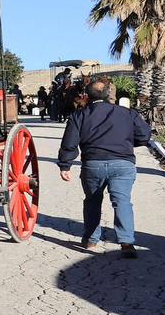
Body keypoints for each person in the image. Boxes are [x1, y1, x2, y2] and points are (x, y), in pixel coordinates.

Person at [58, 77, 152, 257]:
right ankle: (126, 242)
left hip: (93, 165)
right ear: (109, 94)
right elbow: (144, 135)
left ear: (87, 96)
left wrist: (65, 165)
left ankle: (91, 239)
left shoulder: (79, 115)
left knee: (92, 201)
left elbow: (69, 142)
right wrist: (126, 143)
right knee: (122, 201)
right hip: (123, 164)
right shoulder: (127, 113)